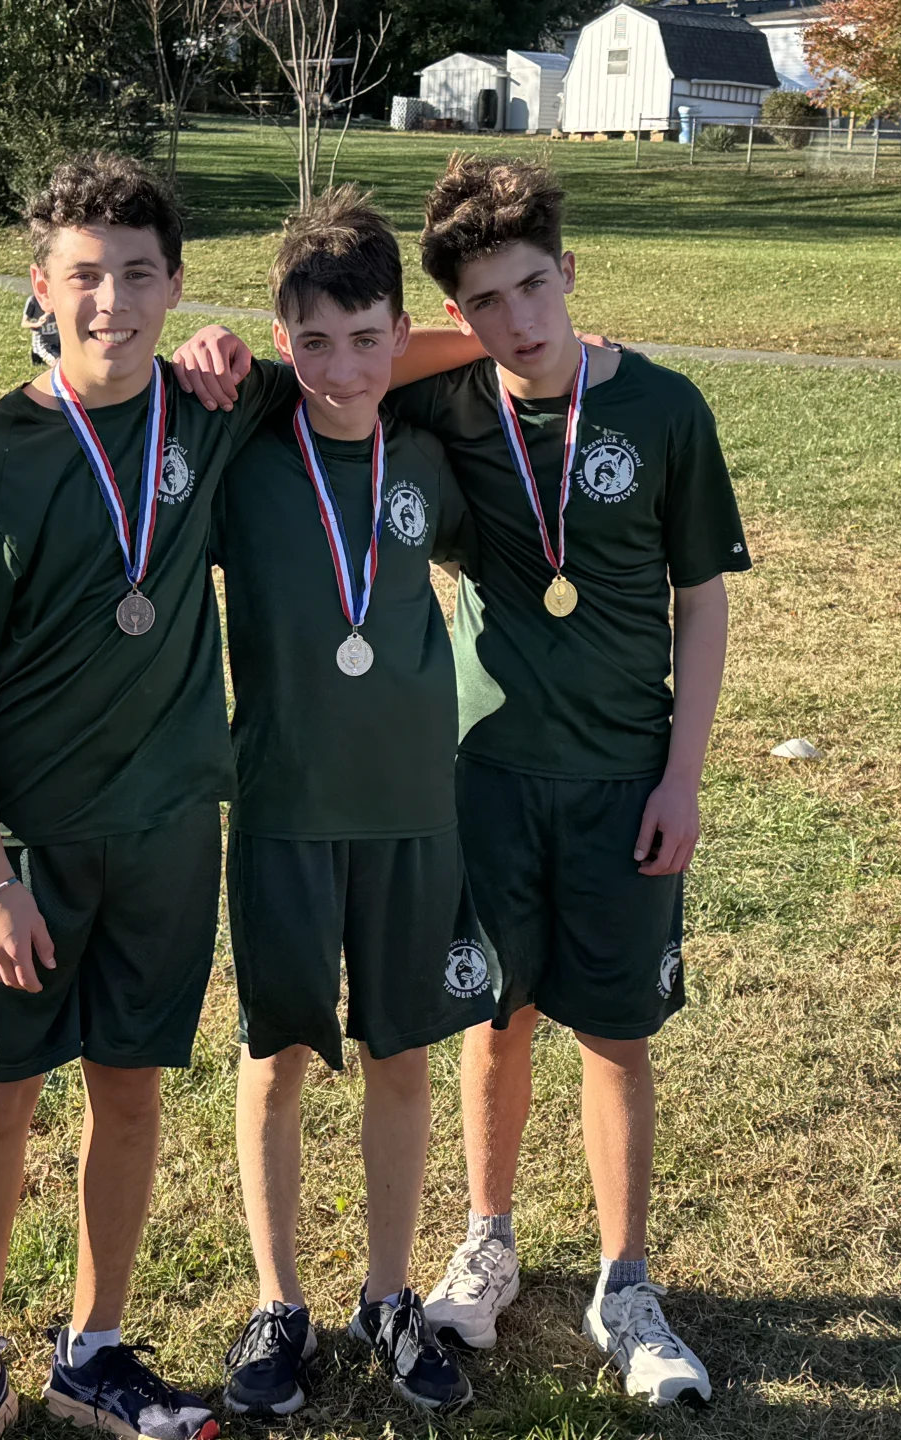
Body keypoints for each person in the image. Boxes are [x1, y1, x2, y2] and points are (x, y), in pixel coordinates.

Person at [171, 151, 750, 1410]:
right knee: (488, 1014)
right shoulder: (416, 414)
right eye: (488, 304)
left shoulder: (635, 411)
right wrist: (226, 354)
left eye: (538, 289)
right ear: (457, 317)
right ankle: (474, 1242)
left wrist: (686, 776)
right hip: (468, 774)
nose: (521, 322)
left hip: (616, 773)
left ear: (571, 275)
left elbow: (699, 600)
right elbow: (321, 385)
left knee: (608, 1029)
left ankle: (625, 1279)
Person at [0, 151, 297, 1440]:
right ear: (42, 289)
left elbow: (363, 366)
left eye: (136, 273)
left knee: (130, 1093)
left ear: (175, 285)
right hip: (23, 855)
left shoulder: (214, 411)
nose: (111, 299)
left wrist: (526, 343)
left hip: (169, 835)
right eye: (84, 275)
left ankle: (95, 1345)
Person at [203, 188, 485, 1419]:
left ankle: (387, 1297)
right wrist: (220, 357)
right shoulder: (246, 454)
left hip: (415, 808)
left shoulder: (428, 450)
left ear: (401, 330)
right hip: (282, 807)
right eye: (312, 342)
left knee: (400, 1056)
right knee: (275, 1058)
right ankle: (281, 1300)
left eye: (369, 339)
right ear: (282, 340)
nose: (343, 366)